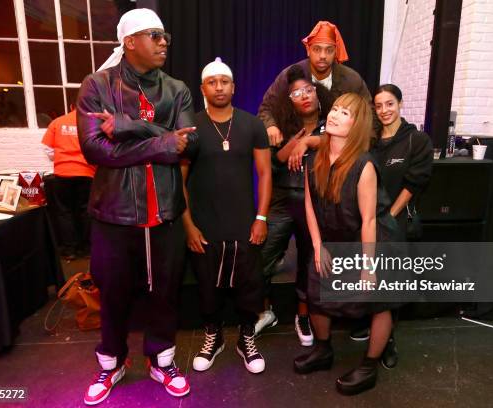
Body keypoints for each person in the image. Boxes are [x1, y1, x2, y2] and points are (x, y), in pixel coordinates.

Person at [76, 9, 197, 404]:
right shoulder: (97, 85)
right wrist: (162, 142)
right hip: (114, 212)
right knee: (112, 292)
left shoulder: (177, 88)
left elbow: (188, 143)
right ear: (130, 42)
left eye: (165, 36)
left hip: (163, 212)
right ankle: (111, 364)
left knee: (165, 291)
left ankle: (162, 362)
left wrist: (129, 128)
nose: (165, 42)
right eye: (155, 36)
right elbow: (95, 150)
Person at [294, 93, 401, 395]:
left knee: (379, 302)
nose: (335, 115)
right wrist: (317, 245)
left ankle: (369, 365)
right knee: (316, 288)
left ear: (357, 125)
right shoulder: (314, 159)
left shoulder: (364, 164)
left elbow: (368, 221)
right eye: (335, 109)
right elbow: (309, 204)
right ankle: (323, 350)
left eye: (345, 113)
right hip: (335, 235)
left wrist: (368, 269)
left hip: (373, 239)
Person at [181, 58, 271, 374]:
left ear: (233, 86)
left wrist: (261, 218)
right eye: (212, 82)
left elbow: (264, 172)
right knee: (207, 285)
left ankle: (246, 338)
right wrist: (188, 224)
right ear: (202, 88)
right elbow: (178, 180)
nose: (219, 87)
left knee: (249, 285)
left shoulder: (252, 124)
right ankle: (213, 336)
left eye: (225, 82)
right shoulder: (190, 127)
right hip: (205, 223)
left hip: (245, 221)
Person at [349, 84, 433, 366]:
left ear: (400, 104)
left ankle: (388, 342)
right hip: (369, 223)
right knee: (370, 278)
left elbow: (414, 183)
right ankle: (372, 329)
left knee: (390, 286)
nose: (384, 110)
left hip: (395, 224)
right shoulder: (371, 141)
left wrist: (388, 218)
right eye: (379, 105)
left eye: (390, 104)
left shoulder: (416, 140)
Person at [256, 64, 333, 346]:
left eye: (308, 90)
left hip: (316, 202)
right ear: (289, 101)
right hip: (282, 200)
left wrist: (312, 141)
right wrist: (294, 145)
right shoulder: (284, 126)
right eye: (296, 93)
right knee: (261, 257)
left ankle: (303, 315)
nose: (303, 95)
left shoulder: (331, 122)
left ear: (317, 93)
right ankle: (265, 311)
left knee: (307, 262)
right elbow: (275, 162)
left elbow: (348, 144)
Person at [258, 21, 371, 147]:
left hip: (339, 150)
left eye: (329, 50)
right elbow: (266, 108)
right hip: (294, 150)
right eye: (317, 49)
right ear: (308, 49)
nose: (322, 56)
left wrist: (356, 146)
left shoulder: (351, 80)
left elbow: (370, 116)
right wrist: (270, 126)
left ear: (335, 52)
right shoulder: (290, 75)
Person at [42, 106, 96, 259]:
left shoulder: (57, 122)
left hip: (63, 173)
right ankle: (86, 249)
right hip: (87, 173)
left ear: (71, 106)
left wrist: (60, 158)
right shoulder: (92, 123)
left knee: (64, 212)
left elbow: (47, 149)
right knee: (86, 211)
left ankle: (70, 250)